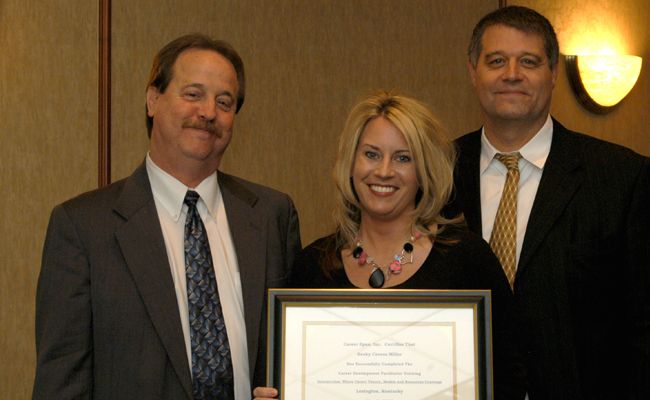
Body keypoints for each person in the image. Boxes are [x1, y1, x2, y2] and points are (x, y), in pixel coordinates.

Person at [33, 34, 302, 400]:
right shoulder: (82, 228)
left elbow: (293, 360)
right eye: (193, 94)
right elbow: (61, 383)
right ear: (153, 99)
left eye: (224, 102)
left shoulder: (271, 216)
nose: (209, 112)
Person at [253, 90, 527, 400]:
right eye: (371, 154)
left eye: (402, 158)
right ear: (351, 164)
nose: (384, 171)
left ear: (423, 172)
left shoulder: (469, 260)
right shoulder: (313, 265)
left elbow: (510, 379)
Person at [447, 6, 650, 399]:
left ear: (554, 72)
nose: (511, 74)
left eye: (529, 61)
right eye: (496, 61)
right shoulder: (435, 173)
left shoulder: (623, 177)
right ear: (473, 72)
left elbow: (642, 324)